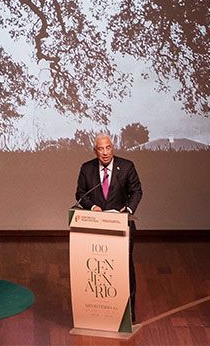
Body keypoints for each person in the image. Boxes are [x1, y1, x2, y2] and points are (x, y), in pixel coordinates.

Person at [75, 133, 143, 321]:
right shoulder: (86, 168)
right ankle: (99, 309)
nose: (105, 153)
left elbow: (136, 190)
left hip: (121, 227)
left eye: (108, 148)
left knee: (125, 269)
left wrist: (128, 210)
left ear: (113, 148)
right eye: (100, 149)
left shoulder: (127, 166)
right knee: (98, 269)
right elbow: (80, 193)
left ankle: (128, 310)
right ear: (95, 150)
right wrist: (92, 207)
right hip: (96, 228)